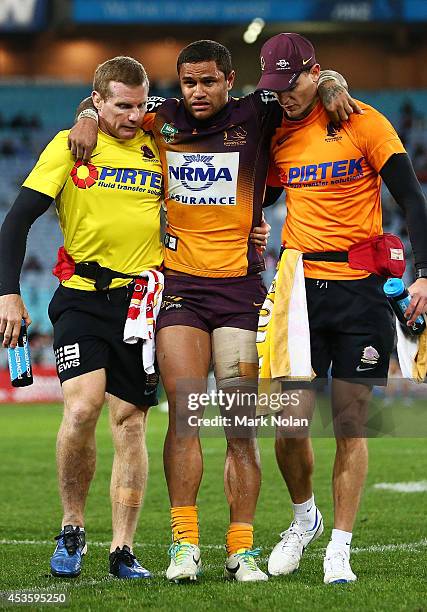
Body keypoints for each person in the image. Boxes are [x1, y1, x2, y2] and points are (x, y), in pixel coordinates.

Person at [69, 40, 358, 582]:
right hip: (180, 291)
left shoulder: (258, 112)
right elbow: (112, 108)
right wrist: (85, 115)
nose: (197, 92)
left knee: (239, 427)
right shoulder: (162, 119)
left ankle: (240, 550)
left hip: (239, 292)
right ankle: (185, 546)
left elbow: (312, 82)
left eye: (207, 81)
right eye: (187, 82)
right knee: (184, 419)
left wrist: (336, 81)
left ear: (230, 80)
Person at [256, 33, 427, 584]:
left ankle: (340, 548)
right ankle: (304, 519)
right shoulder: (275, 126)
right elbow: (187, 110)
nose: (283, 95)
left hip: (361, 290)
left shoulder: (364, 122)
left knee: (352, 424)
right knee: (289, 426)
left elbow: (412, 200)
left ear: (316, 72)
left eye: (293, 84)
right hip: (300, 290)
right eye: (275, 86)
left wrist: (423, 275)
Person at [0, 56, 164, 579]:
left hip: (142, 303)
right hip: (81, 297)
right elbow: (15, 224)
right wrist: (8, 294)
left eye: (141, 104)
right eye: (121, 105)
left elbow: (212, 119)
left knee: (131, 424)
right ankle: (72, 529)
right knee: (81, 411)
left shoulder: (160, 141)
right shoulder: (71, 146)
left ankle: (122, 550)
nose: (134, 115)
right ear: (96, 101)